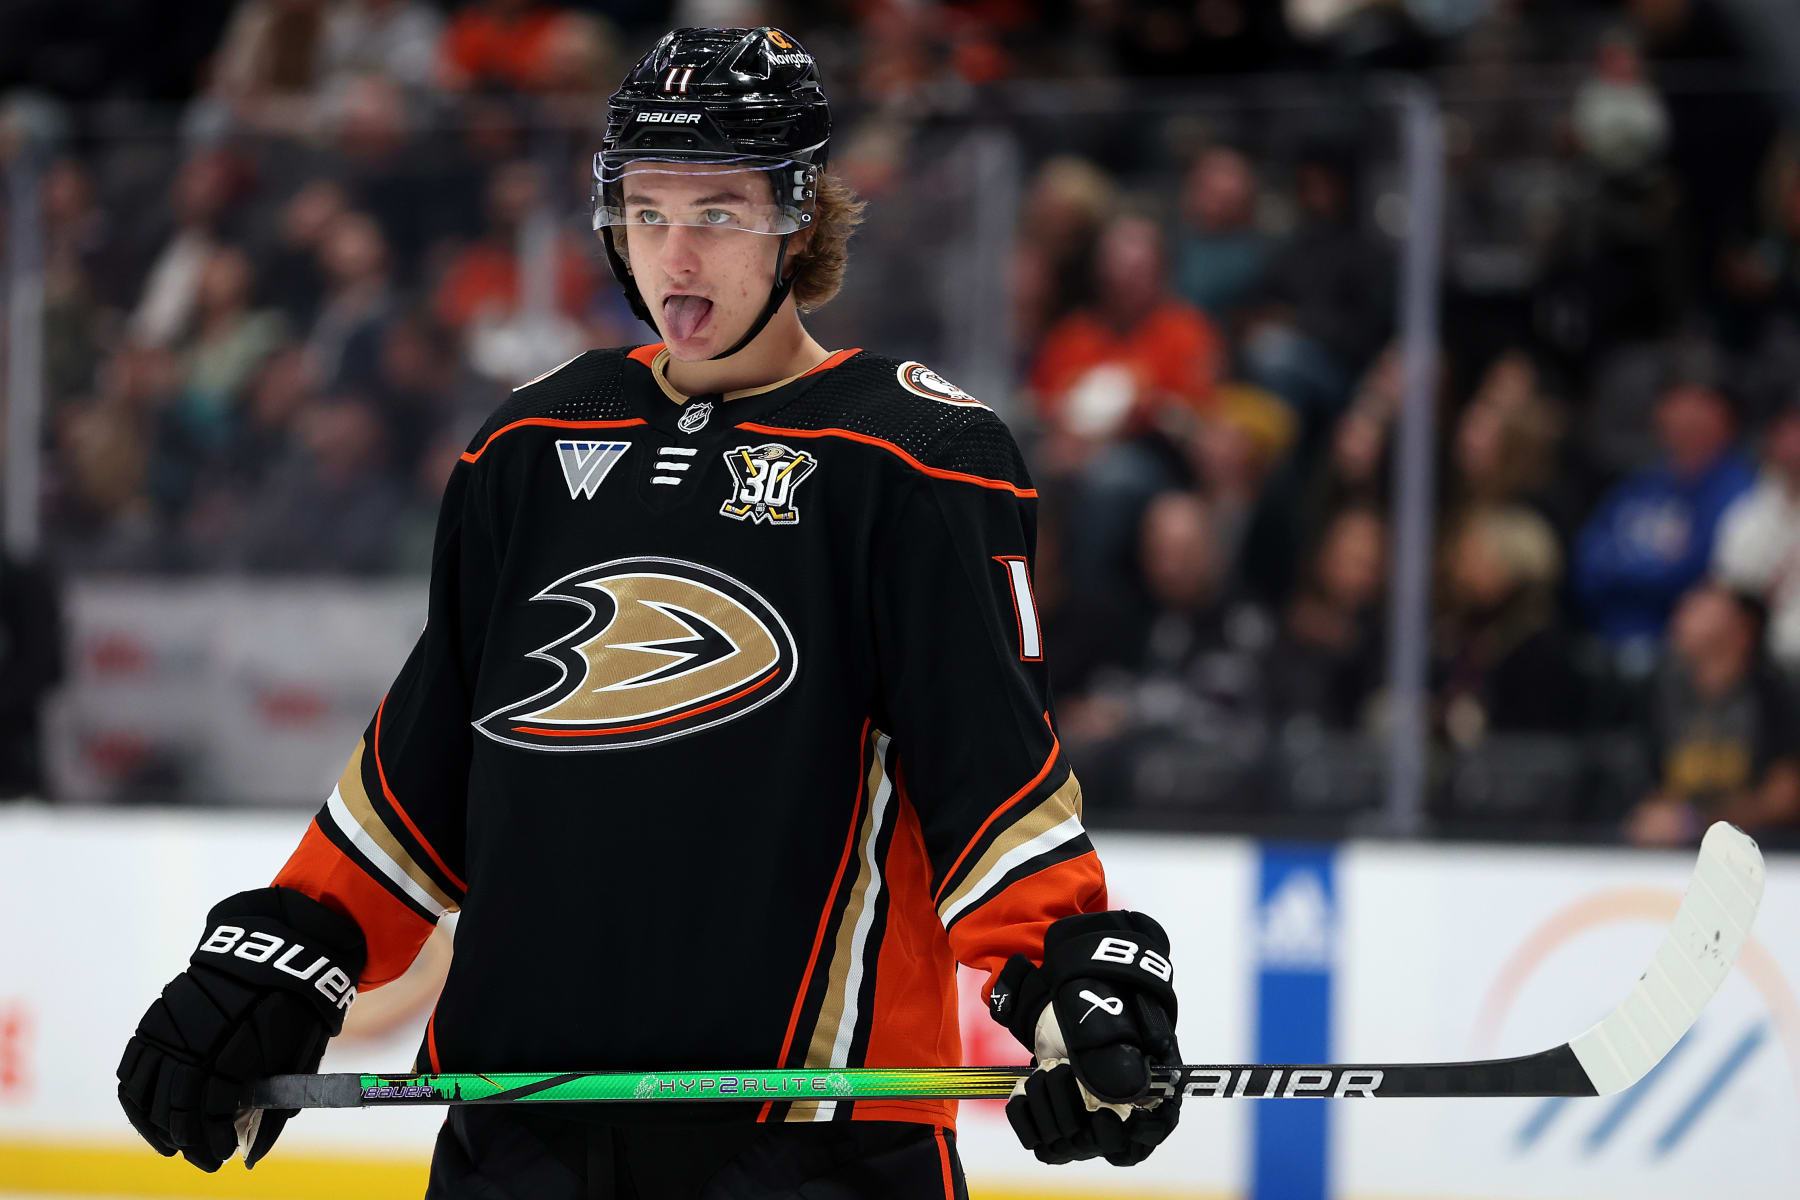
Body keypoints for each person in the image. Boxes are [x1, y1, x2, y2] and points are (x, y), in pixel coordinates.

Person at [116, 27, 1183, 1198]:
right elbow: (431, 754)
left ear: (797, 217)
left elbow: (991, 765)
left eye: (719, 212)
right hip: (514, 1142)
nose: (676, 256)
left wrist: (1070, 968)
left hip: (808, 1147)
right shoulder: (529, 440)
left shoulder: (918, 453)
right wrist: (295, 949)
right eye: (647, 209)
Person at [1626, 584, 1800, 846]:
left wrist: (1697, 821)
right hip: (1675, 854)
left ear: (1741, 630)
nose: (1682, 616)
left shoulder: (1774, 695)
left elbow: (1785, 799)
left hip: (1763, 852)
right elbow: (1643, 785)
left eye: (1697, 607)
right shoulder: (1659, 692)